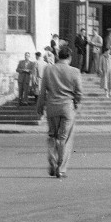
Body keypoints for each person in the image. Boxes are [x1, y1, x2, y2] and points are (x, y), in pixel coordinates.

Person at [36, 44, 82, 178]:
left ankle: (52, 159)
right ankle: (60, 168)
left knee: (52, 136)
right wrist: (76, 103)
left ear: (58, 56)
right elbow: (79, 93)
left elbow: (42, 90)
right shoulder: (75, 71)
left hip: (51, 108)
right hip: (67, 108)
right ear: (69, 57)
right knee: (63, 139)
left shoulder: (48, 70)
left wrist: (39, 106)